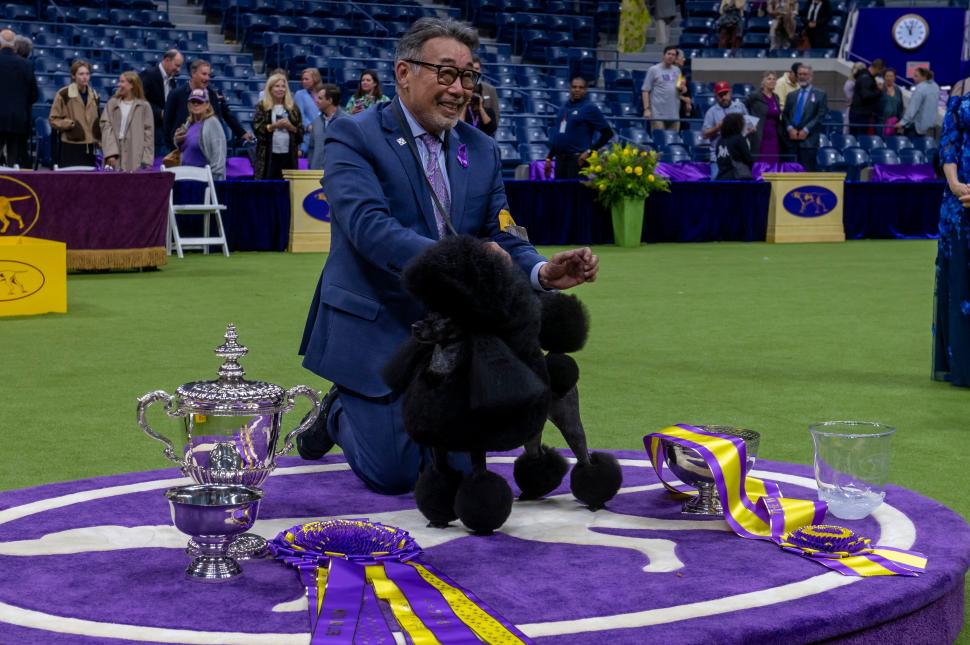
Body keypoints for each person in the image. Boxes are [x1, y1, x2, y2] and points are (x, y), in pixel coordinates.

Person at [297, 17, 599, 495]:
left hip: (453, 332)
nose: (459, 89)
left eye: (469, 76)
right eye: (445, 74)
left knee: (458, 465)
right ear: (403, 72)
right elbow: (370, 230)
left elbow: (503, 232)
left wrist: (542, 270)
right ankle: (336, 411)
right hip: (378, 324)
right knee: (395, 475)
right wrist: (469, 259)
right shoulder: (353, 136)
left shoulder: (481, 149)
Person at [933, 77, 970, 387]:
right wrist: (955, 184)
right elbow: (949, 142)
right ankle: (961, 363)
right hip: (959, 201)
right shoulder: (960, 88)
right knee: (958, 280)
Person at [164, 59, 252, 149]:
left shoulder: (213, 94)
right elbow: (167, 123)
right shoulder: (176, 94)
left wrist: (242, 133)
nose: (207, 78)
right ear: (193, 73)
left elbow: (227, 115)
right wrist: (172, 147)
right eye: (204, 74)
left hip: (209, 146)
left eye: (209, 75)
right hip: (182, 147)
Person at [545, 77, 613, 179]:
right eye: (574, 87)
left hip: (578, 161)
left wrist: (589, 152)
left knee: (576, 194)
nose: (577, 89)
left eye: (581, 87)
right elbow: (559, 135)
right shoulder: (563, 108)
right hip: (560, 161)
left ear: (585, 90)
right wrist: (549, 158)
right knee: (559, 194)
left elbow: (608, 133)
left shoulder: (590, 108)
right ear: (570, 88)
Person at [49, 59, 101, 168]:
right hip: (71, 145)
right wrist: (70, 124)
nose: (85, 77)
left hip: (90, 146)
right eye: (81, 74)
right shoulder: (63, 94)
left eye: (87, 74)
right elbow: (53, 119)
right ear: (73, 76)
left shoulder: (95, 95)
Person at [252, 73, 302, 180]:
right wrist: (274, 126)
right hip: (268, 156)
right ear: (270, 89)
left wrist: (290, 127)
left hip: (288, 156)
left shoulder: (293, 108)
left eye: (283, 86)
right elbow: (257, 130)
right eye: (277, 86)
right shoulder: (262, 106)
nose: (281, 89)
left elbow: (300, 133)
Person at [100, 71, 153, 171]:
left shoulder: (144, 106)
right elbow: (106, 128)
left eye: (122, 82)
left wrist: (147, 160)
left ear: (132, 85)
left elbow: (148, 135)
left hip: (134, 153)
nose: (119, 84)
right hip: (115, 153)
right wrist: (111, 153)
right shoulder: (112, 103)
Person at [0, 29, 37, 168]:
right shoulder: (27, 65)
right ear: (14, 44)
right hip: (18, 118)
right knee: (12, 163)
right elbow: (34, 95)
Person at [782, 64, 827, 171]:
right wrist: (790, 129)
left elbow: (821, 115)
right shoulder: (791, 95)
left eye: (805, 74)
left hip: (809, 142)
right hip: (791, 141)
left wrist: (806, 130)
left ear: (811, 76)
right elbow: (785, 115)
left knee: (807, 174)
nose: (802, 76)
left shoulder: (821, 94)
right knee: (790, 174)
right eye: (800, 74)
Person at [173, 88, 226, 179]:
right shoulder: (189, 123)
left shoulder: (212, 123)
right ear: (189, 105)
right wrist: (177, 141)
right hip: (185, 177)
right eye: (193, 101)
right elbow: (187, 148)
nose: (196, 104)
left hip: (203, 179)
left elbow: (219, 156)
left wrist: (214, 181)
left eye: (199, 101)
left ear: (207, 104)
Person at [140, 49, 183, 155]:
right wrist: (160, 113)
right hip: (150, 131)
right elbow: (140, 100)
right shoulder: (148, 75)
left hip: (165, 133)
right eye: (177, 65)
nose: (179, 70)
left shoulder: (172, 81)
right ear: (167, 60)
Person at [702, 80, 749, 171]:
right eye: (720, 95)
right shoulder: (711, 112)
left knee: (739, 184)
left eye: (725, 94)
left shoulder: (739, 107)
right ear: (715, 96)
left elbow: (749, 125)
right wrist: (717, 127)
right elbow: (705, 134)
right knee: (717, 184)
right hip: (718, 156)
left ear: (730, 93)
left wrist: (749, 129)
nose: (724, 97)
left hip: (737, 156)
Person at [745, 71, 783, 163]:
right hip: (760, 135)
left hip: (774, 136)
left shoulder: (776, 97)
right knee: (761, 163)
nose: (772, 81)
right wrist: (749, 125)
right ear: (763, 81)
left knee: (773, 163)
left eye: (774, 79)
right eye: (769, 79)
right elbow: (744, 108)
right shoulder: (755, 96)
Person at [641, 46, 681, 131]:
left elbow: (680, 89)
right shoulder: (653, 69)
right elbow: (645, 90)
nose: (670, 56)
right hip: (658, 114)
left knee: (673, 142)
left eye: (673, 55)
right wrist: (646, 109)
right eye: (668, 54)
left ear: (675, 58)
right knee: (660, 139)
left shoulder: (677, 70)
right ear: (664, 55)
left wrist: (683, 89)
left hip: (674, 114)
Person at [306, 84, 343, 171]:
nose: (316, 101)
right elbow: (312, 147)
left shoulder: (345, 121)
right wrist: (311, 167)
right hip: (316, 173)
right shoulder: (316, 121)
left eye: (320, 98)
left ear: (329, 100)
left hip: (337, 172)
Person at [896, 67, 940, 138]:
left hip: (916, 128)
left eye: (916, 76)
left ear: (924, 77)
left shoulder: (920, 88)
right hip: (929, 128)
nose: (913, 78)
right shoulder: (936, 87)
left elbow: (912, 108)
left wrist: (902, 122)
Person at [848, 58, 884, 135]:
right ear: (878, 68)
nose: (880, 73)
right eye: (880, 70)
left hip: (861, 113)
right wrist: (878, 91)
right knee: (859, 138)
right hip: (860, 115)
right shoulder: (866, 78)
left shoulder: (865, 77)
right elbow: (866, 96)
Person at [715, 112, 754, 179]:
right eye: (742, 123)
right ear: (737, 124)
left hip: (721, 178)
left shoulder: (720, 141)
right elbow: (748, 158)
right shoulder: (739, 139)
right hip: (738, 178)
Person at [293, 67, 321, 157]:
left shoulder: (323, 93)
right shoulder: (299, 94)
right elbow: (299, 114)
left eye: (306, 79)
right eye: (303, 79)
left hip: (322, 133)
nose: (303, 81)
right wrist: (308, 126)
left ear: (315, 79)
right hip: (308, 133)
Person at [472, 55, 500, 124]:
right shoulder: (461, 88)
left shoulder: (491, 90)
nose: (474, 71)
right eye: (472, 68)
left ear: (480, 70)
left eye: (477, 69)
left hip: (485, 132)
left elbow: (496, 115)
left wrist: (491, 133)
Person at [879, 68, 904, 135]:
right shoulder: (880, 89)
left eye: (891, 76)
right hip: (881, 122)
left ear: (894, 78)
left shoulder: (898, 90)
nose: (889, 78)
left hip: (894, 123)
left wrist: (900, 121)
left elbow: (900, 107)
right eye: (887, 76)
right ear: (884, 77)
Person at [675, 49, 693, 119]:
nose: (684, 59)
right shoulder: (667, 75)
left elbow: (687, 94)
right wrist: (683, 98)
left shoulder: (682, 75)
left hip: (680, 113)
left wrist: (688, 102)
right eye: (682, 57)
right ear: (675, 59)